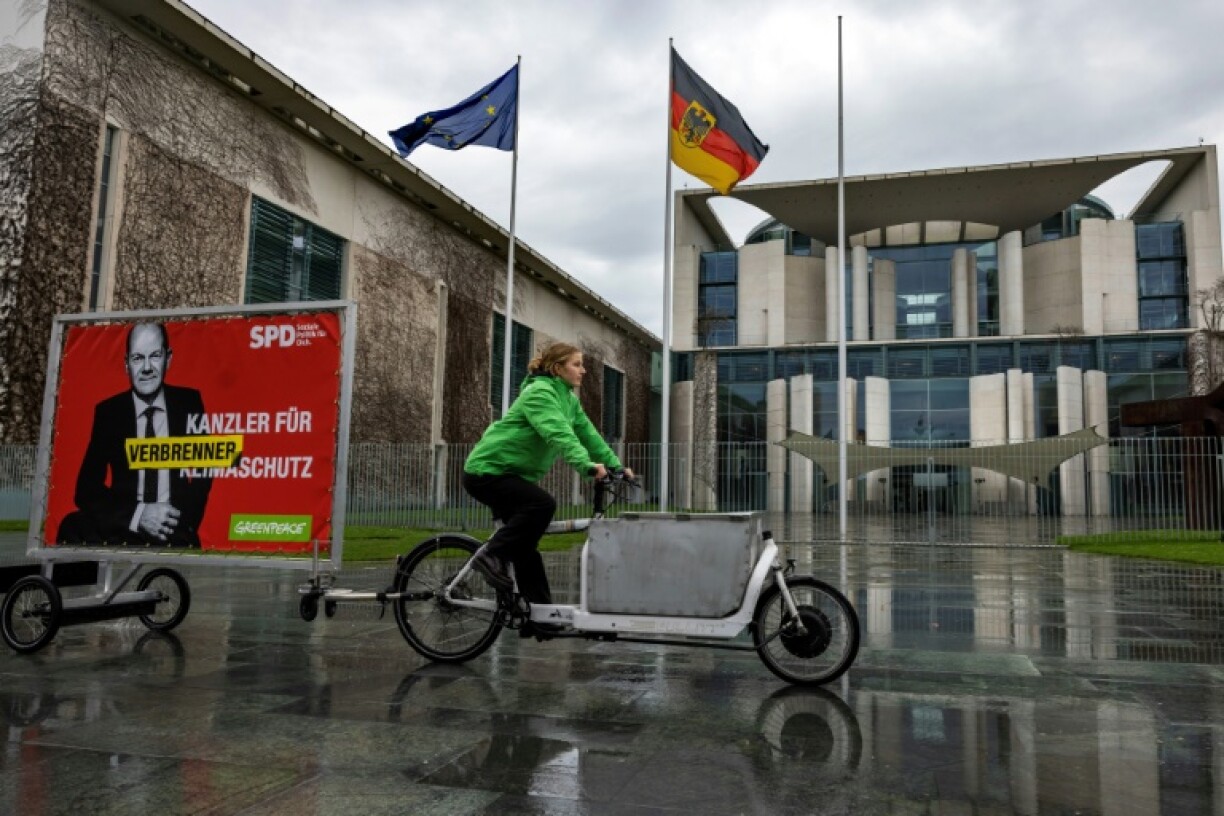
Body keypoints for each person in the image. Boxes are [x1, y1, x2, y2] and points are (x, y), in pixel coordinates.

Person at [462, 342, 633, 636]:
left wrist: (615, 467)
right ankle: (490, 556)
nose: (583, 370)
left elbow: (589, 435)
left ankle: (540, 617)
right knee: (542, 505)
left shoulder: (568, 400)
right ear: (557, 368)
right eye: (576, 364)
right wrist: (586, 466)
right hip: (487, 471)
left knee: (526, 549)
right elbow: (559, 434)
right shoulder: (539, 393)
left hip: (510, 474)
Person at [56, 322, 212, 548]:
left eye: (155, 356)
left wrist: (181, 520)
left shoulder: (188, 402)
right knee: (71, 525)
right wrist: (138, 515)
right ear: (126, 364)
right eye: (138, 358)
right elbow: (86, 489)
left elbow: (205, 469)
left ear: (168, 359)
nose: (147, 367)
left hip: (171, 526)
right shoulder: (110, 412)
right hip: (126, 522)